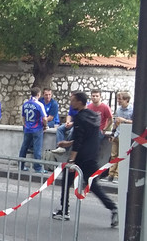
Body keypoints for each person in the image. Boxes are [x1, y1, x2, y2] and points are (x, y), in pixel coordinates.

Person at [55, 92, 119, 227]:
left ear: (79, 102)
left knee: (68, 181)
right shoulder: (93, 116)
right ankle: (113, 208)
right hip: (92, 155)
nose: (71, 103)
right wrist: (67, 143)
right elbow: (86, 137)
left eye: (73, 100)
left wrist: (72, 160)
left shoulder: (79, 118)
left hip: (80, 157)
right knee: (93, 185)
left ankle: (64, 211)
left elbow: (79, 141)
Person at [18, 87, 48, 173]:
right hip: (37, 128)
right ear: (38, 94)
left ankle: (21, 165)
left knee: (24, 147)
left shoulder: (25, 104)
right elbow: (45, 118)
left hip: (27, 128)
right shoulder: (39, 105)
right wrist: (45, 126)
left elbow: (23, 116)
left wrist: (25, 125)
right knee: (37, 148)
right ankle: (37, 167)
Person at [107, 91, 133, 183]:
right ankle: (111, 174)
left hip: (126, 135)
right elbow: (116, 123)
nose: (118, 101)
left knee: (121, 156)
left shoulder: (132, 110)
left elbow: (136, 122)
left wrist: (124, 120)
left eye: (120, 99)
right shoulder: (118, 110)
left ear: (126, 100)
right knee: (113, 155)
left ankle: (117, 175)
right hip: (117, 134)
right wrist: (112, 134)